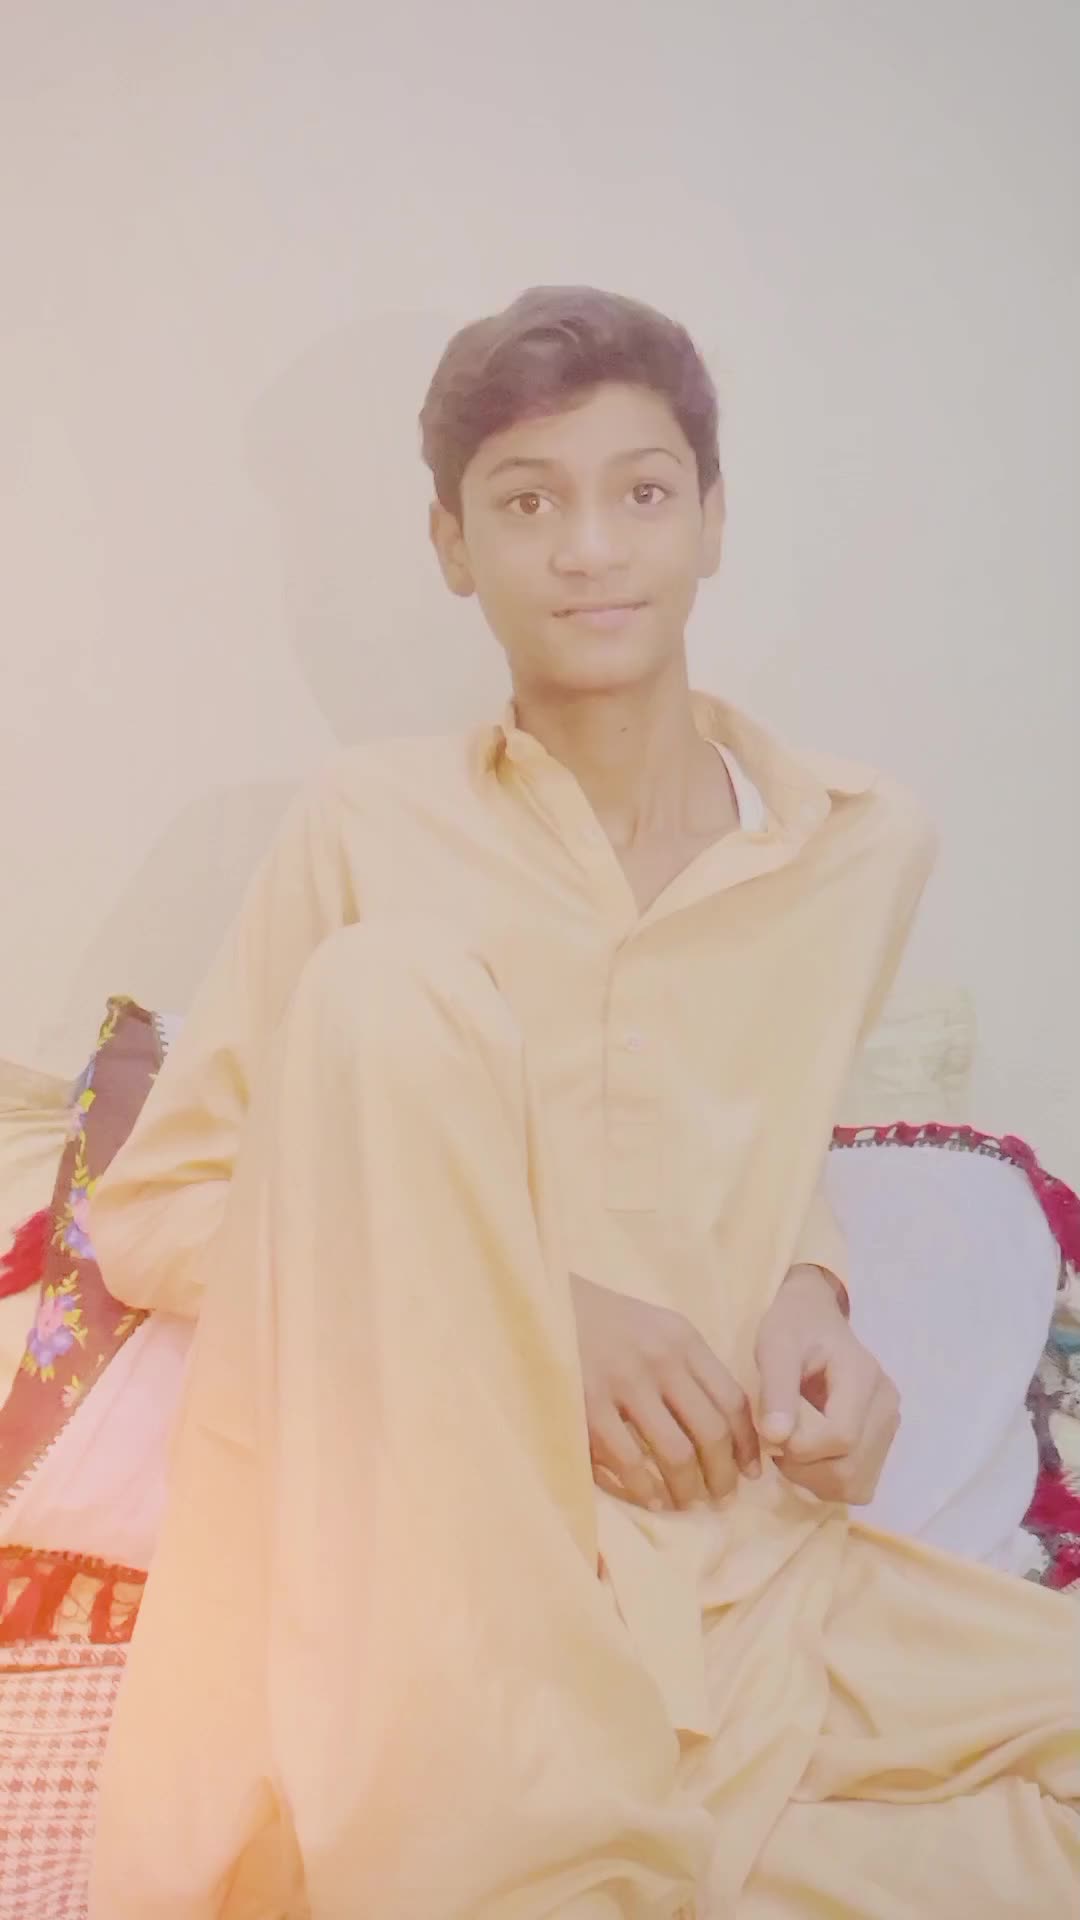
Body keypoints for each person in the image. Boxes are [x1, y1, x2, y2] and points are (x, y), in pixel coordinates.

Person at [87, 287, 1079, 1920]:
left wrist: (814, 1298)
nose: (592, 549)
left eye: (642, 492)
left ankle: (674, 1850)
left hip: (749, 1555)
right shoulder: (364, 827)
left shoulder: (859, 848)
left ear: (712, 520)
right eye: (528, 502)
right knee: (392, 990)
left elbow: (752, 1128)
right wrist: (541, 1318)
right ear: (453, 546)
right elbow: (161, 1207)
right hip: (459, 1553)